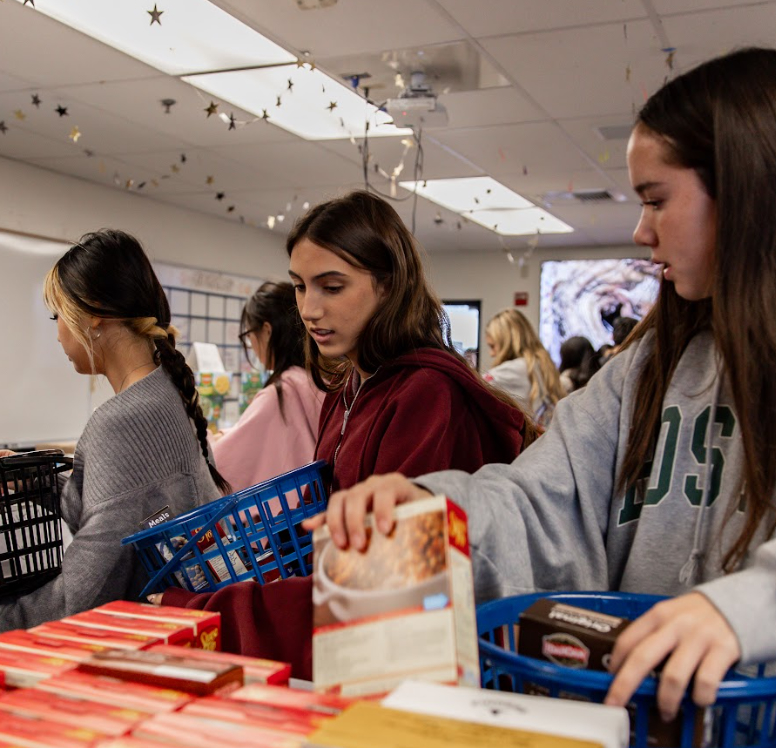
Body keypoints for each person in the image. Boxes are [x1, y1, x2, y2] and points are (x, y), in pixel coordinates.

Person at [317, 48, 776, 748]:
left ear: (751, 191)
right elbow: (543, 500)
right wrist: (435, 514)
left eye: (655, 199)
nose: (641, 231)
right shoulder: (654, 362)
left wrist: (771, 606)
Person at [162, 190, 534, 675]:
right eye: (300, 287)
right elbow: (323, 535)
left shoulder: (427, 395)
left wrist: (208, 611)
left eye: (331, 287)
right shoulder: (346, 390)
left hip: (416, 667)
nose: (309, 309)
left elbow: (381, 587)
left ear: (388, 286)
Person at [0, 229, 226, 638]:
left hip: (142, 643)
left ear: (94, 314)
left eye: (57, 317)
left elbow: (81, 596)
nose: (57, 333)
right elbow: (122, 518)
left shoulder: (122, 422)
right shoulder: (167, 394)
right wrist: (33, 481)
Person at [210, 281, 324, 491]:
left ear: (266, 331)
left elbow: (223, 461)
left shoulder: (280, 393)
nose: (251, 345)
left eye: (249, 335)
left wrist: (208, 438)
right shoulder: (317, 379)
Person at [482, 308, 565, 423]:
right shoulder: (543, 364)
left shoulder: (509, 372)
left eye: (492, 346)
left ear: (507, 342)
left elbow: (475, 387)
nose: (491, 354)